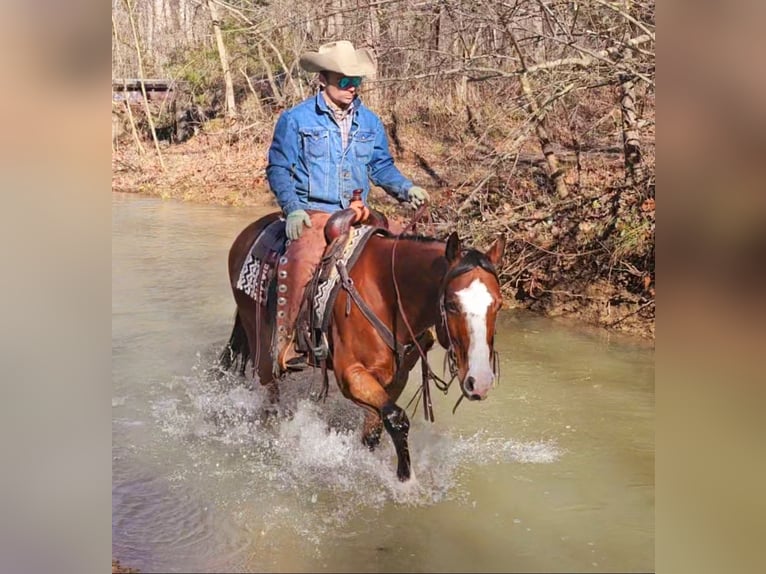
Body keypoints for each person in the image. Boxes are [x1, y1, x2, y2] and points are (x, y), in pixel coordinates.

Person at [265, 40, 429, 371]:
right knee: (302, 259)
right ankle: (286, 343)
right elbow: (278, 168)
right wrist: (293, 207)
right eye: (345, 80)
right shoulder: (295, 120)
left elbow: (381, 167)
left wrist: (406, 188)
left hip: (358, 212)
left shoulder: (369, 122)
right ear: (322, 78)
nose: (352, 88)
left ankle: (414, 333)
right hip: (315, 211)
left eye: (356, 81)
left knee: (411, 251)